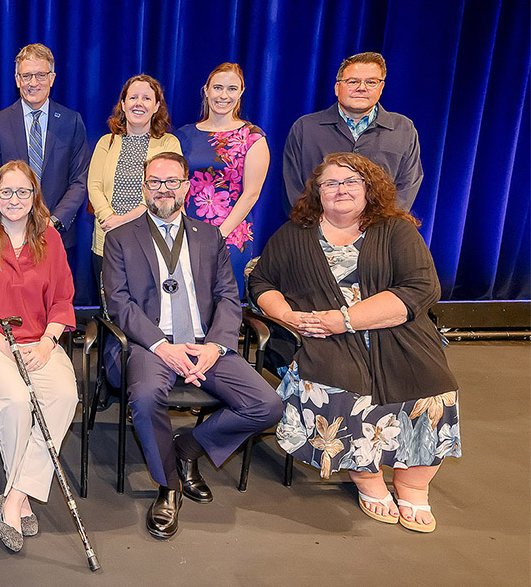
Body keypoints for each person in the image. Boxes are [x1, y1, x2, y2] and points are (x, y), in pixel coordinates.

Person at [249, 152, 459, 533]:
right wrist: (288, 316)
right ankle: (367, 477)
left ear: (368, 188)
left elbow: (422, 288)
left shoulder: (396, 230)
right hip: (319, 335)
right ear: (317, 192)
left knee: (432, 381)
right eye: (330, 183)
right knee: (339, 381)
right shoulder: (293, 234)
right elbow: (261, 283)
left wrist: (346, 319)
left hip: (393, 330)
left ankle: (413, 483)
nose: (340, 189)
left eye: (350, 182)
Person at [101, 152, 283, 540]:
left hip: (204, 345)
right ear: (144, 187)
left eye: (171, 182)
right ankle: (168, 487)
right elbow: (118, 303)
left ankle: (188, 446)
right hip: (150, 345)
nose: (163, 190)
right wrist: (161, 346)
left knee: (267, 406)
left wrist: (216, 345)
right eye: (155, 182)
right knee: (147, 398)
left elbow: (228, 297)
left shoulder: (209, 235)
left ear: (186, 186)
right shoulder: (120, 238)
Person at [0, 160, 78, 554]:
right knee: (18, 400)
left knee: (64, 396)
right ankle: (17, 500)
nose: (15, 199)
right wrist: (5, 348)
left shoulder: (50, 240)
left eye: (24, 192)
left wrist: (46, 343)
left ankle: (15, 496)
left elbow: (62, 300)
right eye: (7, 192)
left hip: (39, 341)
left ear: (34, 196)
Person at [0, 44, 90, 273]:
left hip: (58, 237)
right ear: (17, 79)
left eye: (40, 75)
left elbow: (80, 180)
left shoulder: (71, 121)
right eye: (27, 76)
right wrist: (16, 220)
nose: (33, 83)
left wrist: (54, 222)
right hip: (9, 238)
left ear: (52, 78)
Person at [283, 51, 423, 210]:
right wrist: (321, 227)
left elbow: (407, 186)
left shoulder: (403, 129)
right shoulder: (305, 128)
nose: (361, 88)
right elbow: (293, 186)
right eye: (352, 81)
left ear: (381, 87)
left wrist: (381, 229)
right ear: (337, 87)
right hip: (316, 230)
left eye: (371, 82)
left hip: (382, 231)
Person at [174, 63, 269, 289]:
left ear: (241, 93)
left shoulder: (252, 137)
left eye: (232, 89)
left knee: (223, 301)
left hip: (230, 235)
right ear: (206, 90)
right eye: (217, 88)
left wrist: (218, 235)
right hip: (185, 231)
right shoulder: (182, 135)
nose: (223, 95)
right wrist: (186, 228)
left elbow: (251, 193)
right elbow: (175, 186)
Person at [89, 74, 182, 296]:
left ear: (156, 105)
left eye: (146, 98)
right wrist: (108, 219)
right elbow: (94, 185)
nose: (138, 103)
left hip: (152, 239)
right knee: (111, 310)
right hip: (107, 238)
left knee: (150, 307)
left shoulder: (169, 143)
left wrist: (122, 221)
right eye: (133, 98)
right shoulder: (107, 141)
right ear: (123, 103)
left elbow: (165, 190)